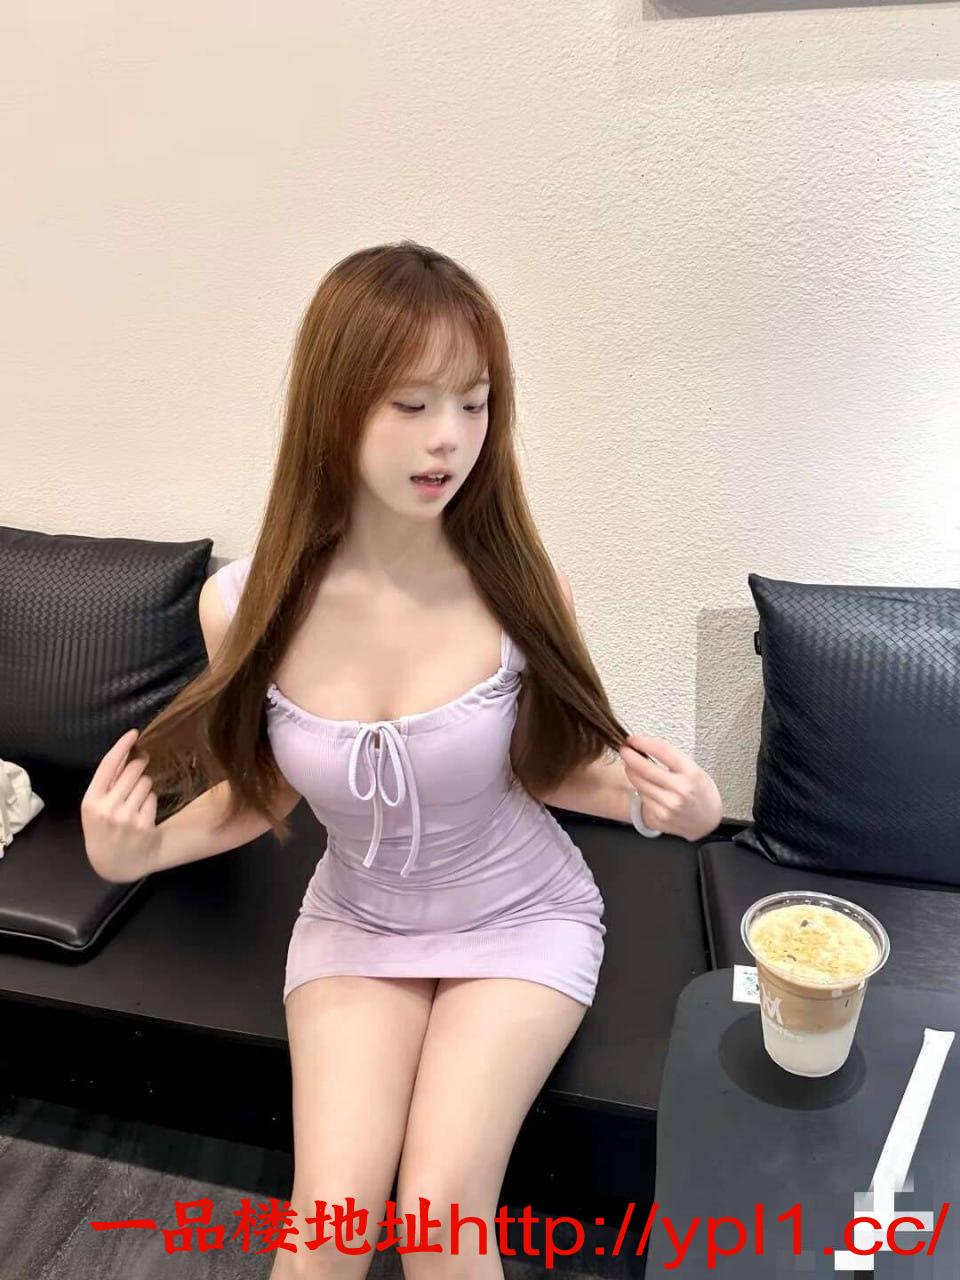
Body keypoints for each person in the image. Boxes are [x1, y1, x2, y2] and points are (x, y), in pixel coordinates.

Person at [82, 240, 723, 1278]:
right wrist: (139, 851)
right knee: (328, 1233)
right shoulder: (243, 605)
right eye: (413, 403)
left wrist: (677, 808)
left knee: (438, 1223)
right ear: (334, 406)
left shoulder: (521, 586)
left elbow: (548, 769)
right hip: (357, 921)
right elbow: (262, 791)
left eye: (474, 402)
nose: (450, 437)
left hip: (521, 918)